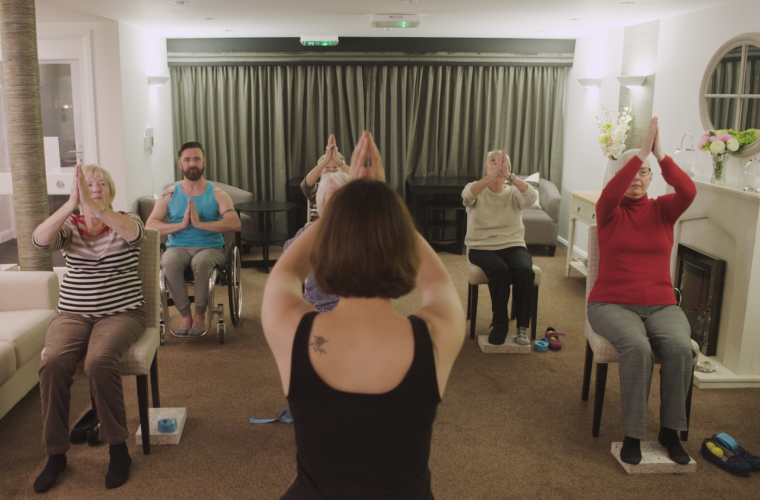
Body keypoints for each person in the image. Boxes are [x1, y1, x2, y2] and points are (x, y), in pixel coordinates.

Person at [262, 131, 465, 499]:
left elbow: (287, 273)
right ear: (401, 247)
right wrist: (378, 200)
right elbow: (438, 283)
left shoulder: (292, 331)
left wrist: (346, 205)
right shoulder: (436, 335)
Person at [587, 117, 697, 465]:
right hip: (611, 303)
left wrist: (660, 156)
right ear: (620, 176)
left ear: (652, 179)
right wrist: (640, 154)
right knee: (637, 347)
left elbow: (689, 191)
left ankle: (669, 432)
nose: (637, 178)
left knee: (681, 348)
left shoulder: (664, 209)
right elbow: (611, 190)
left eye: (644, 173)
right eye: (632, 173)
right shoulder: (609, 210)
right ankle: (633, 434)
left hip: (662, 304)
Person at [32, 165, 146, 492]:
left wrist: (98, 210)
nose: (94, 187)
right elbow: (40, 241)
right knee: (52, 363)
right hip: (73, 315)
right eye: (88, 184)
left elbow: (135, 235)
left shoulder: (128, 219)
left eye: (100, 184)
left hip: (122, 313)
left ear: (110, 191)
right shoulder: (71, 226)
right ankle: (55, 454)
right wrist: (71, 204)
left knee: (97, 362)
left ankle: (118, 448)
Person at [146, 141, 241, 335]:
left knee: (201, 262)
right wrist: (180, 225)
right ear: (180, 164)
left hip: (210, 248)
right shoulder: (170, 194)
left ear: (204, 162)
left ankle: (199, 315)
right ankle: (185, 316)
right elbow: (150, 224)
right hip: (177, 247)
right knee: (168, 262)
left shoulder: (218, 193)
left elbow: (235, 223)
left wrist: (200, 224)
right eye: (187, 160)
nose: (192, 164)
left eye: (196, 159)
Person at [462, 149, 537, 346]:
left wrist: (509, 177)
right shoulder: (475, 188)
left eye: (501, 162)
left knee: (524, 271)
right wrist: (492, 177)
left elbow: (531, 197)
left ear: (508, 169)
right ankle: (500, 324)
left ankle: (522, 326)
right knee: (500, 271)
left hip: (512, 244)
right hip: (481, 245)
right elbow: (467, 196)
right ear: (486, 168)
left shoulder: (514, 192)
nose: (496, 163)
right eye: (492, 161)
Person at [283, 171, 349, 312]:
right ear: (322, 200)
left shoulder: (364, 234)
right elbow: (287, 255)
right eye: (333, 192)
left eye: (344, 193)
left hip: (355, 312)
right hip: (317, 309)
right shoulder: (311, 233)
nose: (340, 198)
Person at [300, 134, 349, 222]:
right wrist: (326, 159)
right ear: (319, 172)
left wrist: (338, 160)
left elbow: (360, 180)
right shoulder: (318, 188)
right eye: (326, 167)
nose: (331, 170)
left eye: (335, 167)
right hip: (318, 230)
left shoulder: (347, 188)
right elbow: (305, 186)